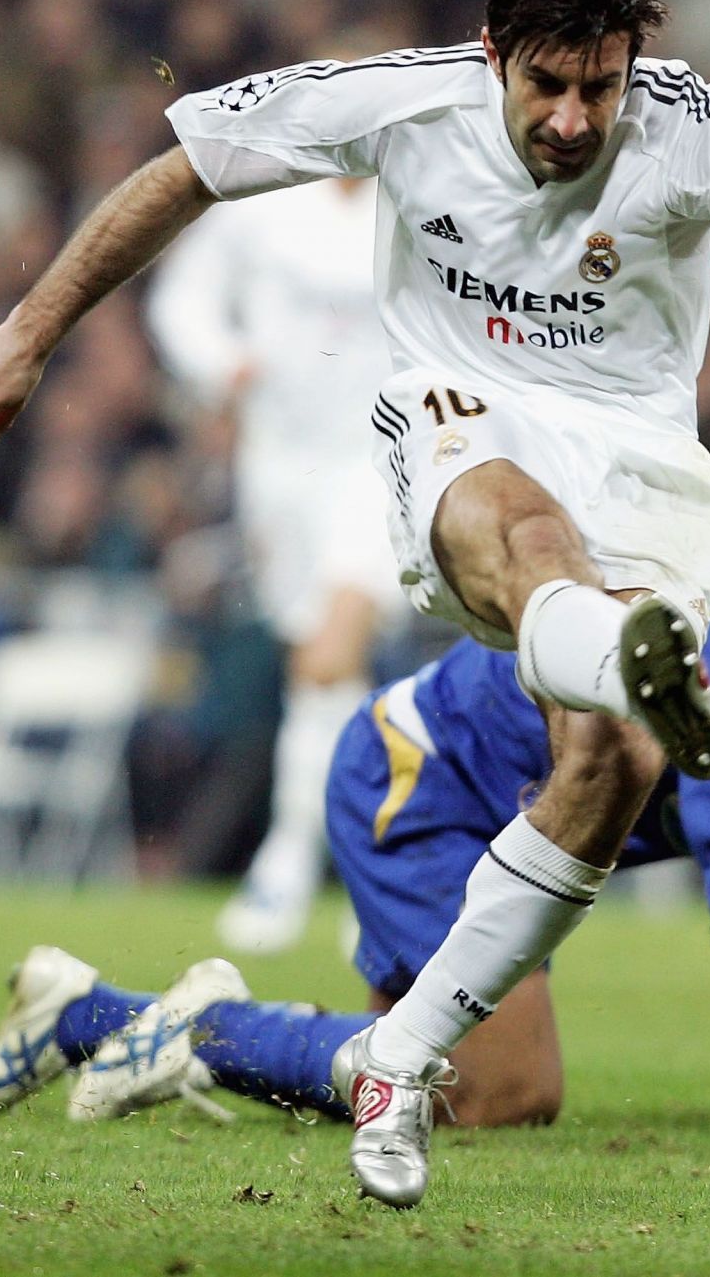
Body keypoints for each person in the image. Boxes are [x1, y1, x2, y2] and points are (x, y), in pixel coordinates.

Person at [0, 0, 710, 1206]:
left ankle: (398, 1058)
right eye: (548, 87)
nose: (577, 118)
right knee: (526, 538)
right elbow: (187, 166)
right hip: (465, 420)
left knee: (619, 764)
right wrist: (30, 332)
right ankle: (622, 660)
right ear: (493, 57)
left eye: (602, 86)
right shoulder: (403, 98)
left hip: (644, 469)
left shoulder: (688, 121)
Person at [0, 474, 710, 1173]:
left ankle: (86, 1016)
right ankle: (165, 1028)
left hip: (514, 823)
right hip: (425, 785)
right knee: (500, 1096)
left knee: (420, 1074)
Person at [145, 170, 404, 954]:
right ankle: (360, 871)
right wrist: (222, 363)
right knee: (315, 666)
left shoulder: (419, 202)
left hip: (380, 458)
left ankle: (289, 858)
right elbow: (180, 297)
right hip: (278, 466)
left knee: (333, 649)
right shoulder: (263, 208)